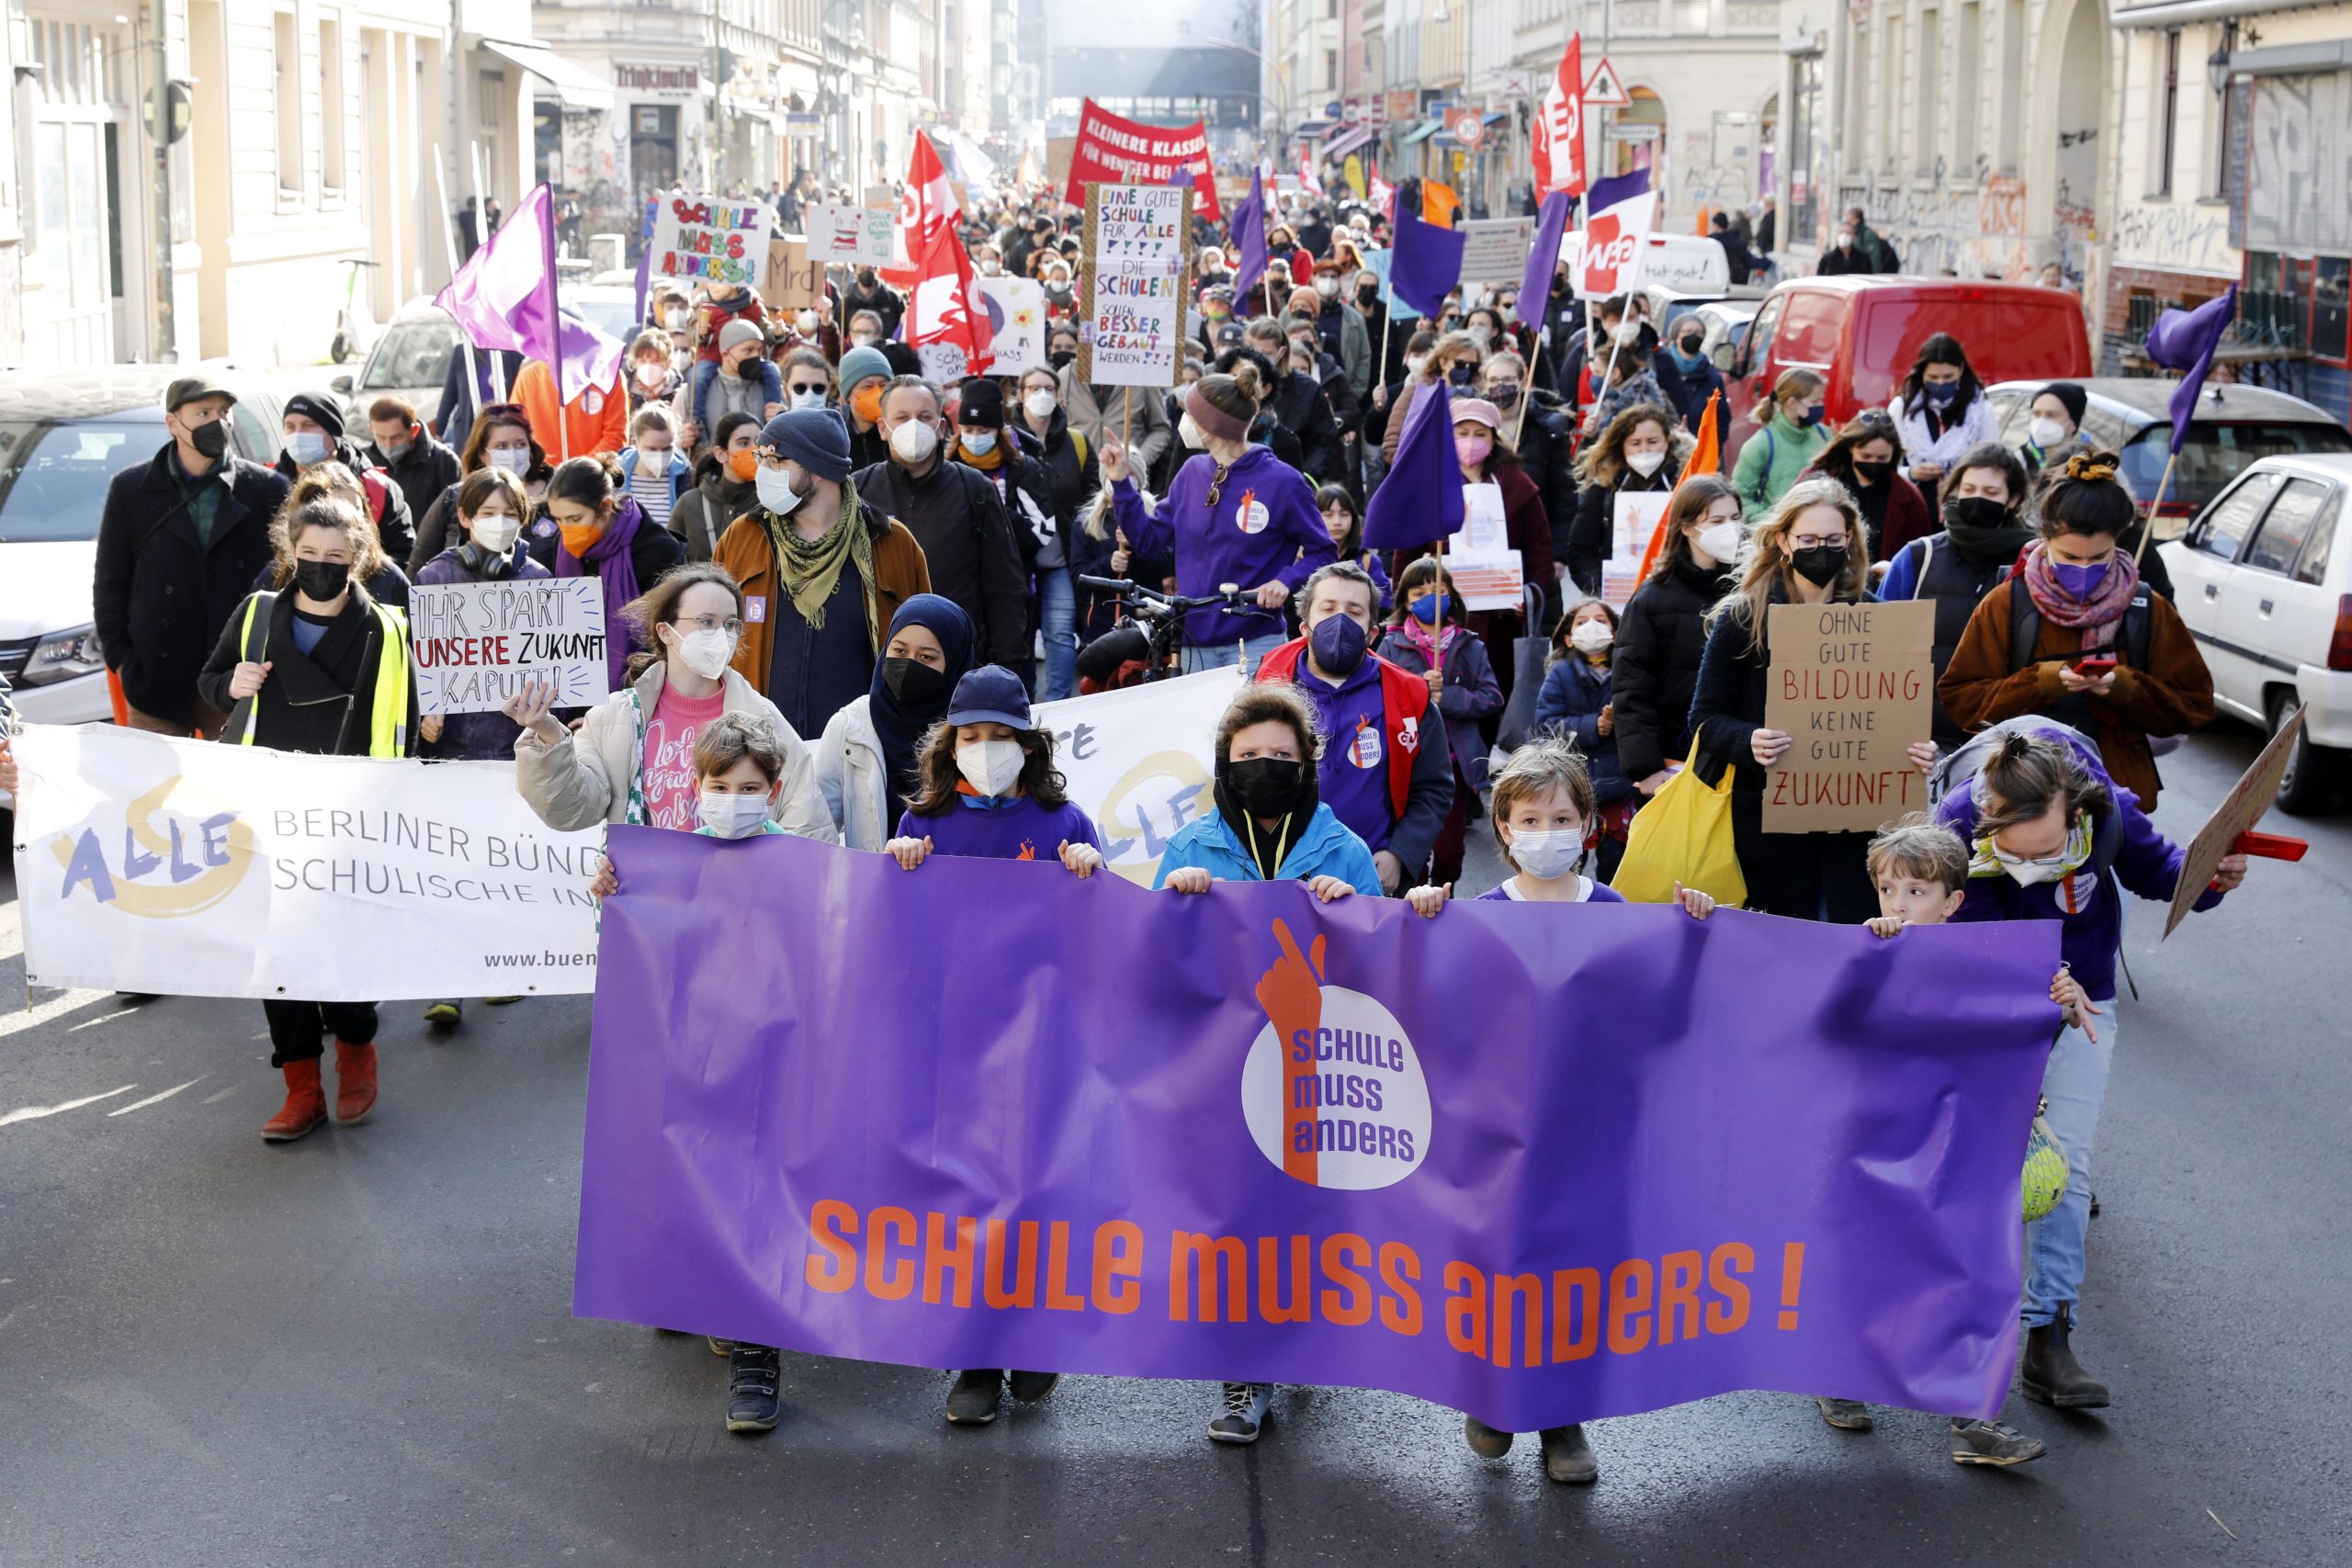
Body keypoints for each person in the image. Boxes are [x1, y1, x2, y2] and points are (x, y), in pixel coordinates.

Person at [1932, 724, 2247, 1410]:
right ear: (1986, 813)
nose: (2035, 866)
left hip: (2085, 999)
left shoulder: (2108, 808)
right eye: (2016, 854)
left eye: (2049, 852)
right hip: (1985, 1007)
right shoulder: (1955, 821)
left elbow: (2166, 872)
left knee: (2063, 1167)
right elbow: (1933, 925)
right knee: (1975, 1167)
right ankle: (1949, 1330)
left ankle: (2049, 1336)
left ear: (2074, 810)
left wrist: (2214, 879)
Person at [877, 664, 1106, 1426]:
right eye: (970, 736)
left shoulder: (1063, 821)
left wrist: (1089, 876)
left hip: (1040, 1043)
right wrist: (898, 866)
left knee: (1034, 1189)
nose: (983, 748)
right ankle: (975, 1357)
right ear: (950, 743)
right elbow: (894, 932)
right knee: (968, 1197)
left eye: (998, 736)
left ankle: (1033, 1334)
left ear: (1027, 743)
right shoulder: (926, 822)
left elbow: (1100, 930)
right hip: (954, 1046)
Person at [1154, 680, 1376, 1445]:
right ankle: (1245, 1371)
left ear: (1307, 763)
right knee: (1236, 1218)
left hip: (1314, 1062)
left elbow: (1382, 965)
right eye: (1249, 756)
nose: (1264, 766)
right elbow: (1157, 968)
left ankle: (1305, 1332)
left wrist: (1354, 907)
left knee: (1309, 1211)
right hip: (1223, 1069)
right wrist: (1178, 903)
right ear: (1225, 762)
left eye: (1280, 755)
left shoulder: (1342, 847)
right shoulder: (1189, 848)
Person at [1835, 812, 2079, 1466]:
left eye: (1916, 892)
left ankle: (1971, 1418)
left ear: (1953, 902)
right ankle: (1837, 1373)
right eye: (1889, 889)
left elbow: (2019, 1045)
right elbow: (1828, 1022)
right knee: (1874, 1264)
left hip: (1956, 1147)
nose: (1899, 904)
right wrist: (1864, 958)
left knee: (1966, 1273)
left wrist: (2054, 999)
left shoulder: (1988, 966)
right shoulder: (1865, 951)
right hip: (1881, 1145)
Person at [197, 497, 418, 1141]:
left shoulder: (384, 630)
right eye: (309, 555)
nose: (320, 567)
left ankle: (356, 1049)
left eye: (335, 557)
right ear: (290, 552)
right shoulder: (258, 613)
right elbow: (210, 682)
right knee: (278, 950)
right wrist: (229, 685)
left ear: (360, 557)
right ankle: (300, 1085)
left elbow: (403, 720)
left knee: (340, 944)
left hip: (349, 810)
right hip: (266, 805)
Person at [1689, 478, 1938, 919]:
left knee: (1855, 934)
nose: (1820, 549)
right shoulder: (1744, 618)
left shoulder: (1878, 619)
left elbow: (1898, 710)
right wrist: (1747, 740)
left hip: (1858, 823)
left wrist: (1917, 750)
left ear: (1849, 542)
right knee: (1783, 940)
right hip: (1770, 823)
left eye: (1832, 540)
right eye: (1807, 539)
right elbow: (1705, 719)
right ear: (1783, 540)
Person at [1938, 452, 2213, 807]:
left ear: (2118, 542)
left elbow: (2194, 705)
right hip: (2019, 798)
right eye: (2069, 557)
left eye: (2099, 558)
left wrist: (2126, 686)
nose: (2084, 568)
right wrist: (2042, 682)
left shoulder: (2147, 607)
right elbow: (1962, 702)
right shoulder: (2007, 602)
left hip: (2116, 799)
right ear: (2044, 537)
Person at [715, 407, 931, 741]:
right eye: (762, 458)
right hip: (758, 750)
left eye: (776, 460)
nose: (763, 472)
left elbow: (924, 648)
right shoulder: (743, 537)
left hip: (859, 747)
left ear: (817, 469)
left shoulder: (891, 541)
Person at [94, 376, 290, 737]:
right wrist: (123, 660)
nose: (218, 422)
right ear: (173, 423)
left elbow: (285, 581)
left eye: (224, 411)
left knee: (229, 789)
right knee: (155, 789)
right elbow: (110, 584)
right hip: (155, 681)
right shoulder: (130, 489)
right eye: (203, 412)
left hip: (236, 679)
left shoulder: (266, 489)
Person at [1102, 367, 1332, 671]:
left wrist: (1284, 581)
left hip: (1255, 641)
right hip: (1191, 640)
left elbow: (1323, 550)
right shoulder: (1191, 472)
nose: (1183, 420)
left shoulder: (1283, 481)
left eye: (1190, 413)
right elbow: (1147, 541)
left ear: (1211, 426)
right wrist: (1121, 483)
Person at [1255, 562, 1452, 894]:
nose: (1340, 620)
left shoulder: (1410, 699)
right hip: (1279, 877)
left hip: (1368, 878)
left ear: (1373, 632)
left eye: (1355, 611)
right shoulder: (1263, 687)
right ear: (1305, 626)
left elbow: (1433, 790)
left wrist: (1400, 855)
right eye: (1328, 608)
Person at [857, 378, 1030, 668]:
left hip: (958, 663)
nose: (914, 426)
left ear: (941, 427)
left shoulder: (975, 489)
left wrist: (1005, 670)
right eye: (902, 417)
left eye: (924, 417)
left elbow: (1005, 588)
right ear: (883, 429)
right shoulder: (858, 492)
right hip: (878, 667)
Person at [1879, 443, 2037, 748]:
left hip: (2002, 739)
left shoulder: (2033, 562)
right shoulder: (1918, 557)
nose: (1977, 499)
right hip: (1919, 740)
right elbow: (1880, 646)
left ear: (2013, 499)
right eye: (1969, 488)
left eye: (1991, 493)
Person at [1611, 476, 1743, 798]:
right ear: (1686, 527)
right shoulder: (1652, 598)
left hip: (1741, 750)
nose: (1731, 529)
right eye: (1717, 521)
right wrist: (1646, 767)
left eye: (1736, 519)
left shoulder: (1751, 588)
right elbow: (1632, 688)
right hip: (1677, 753)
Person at [1374, 556, 1499, 888]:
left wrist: (1451, 699)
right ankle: (1418, 896)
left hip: (1454, 765)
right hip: (1407, 758)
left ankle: (1446, 894)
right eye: (1418, 593)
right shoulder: (1391, 645)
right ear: (1404, 601)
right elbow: (1380, 696)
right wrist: (1419, 689)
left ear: (1451, 595)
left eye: (1437, 589)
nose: (1429, 598)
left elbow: (1492, 697)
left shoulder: (1470, 645)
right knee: (1414, 843)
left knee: (1450, 848)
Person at [813, 594, 977, 849]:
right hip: (872, 883)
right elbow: (817, 823)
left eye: (926, 657)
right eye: (899, 651)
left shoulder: (971, 732)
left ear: (953, 665)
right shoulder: (851, 725)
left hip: (949, 883)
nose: (909, 663)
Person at [532, 453, 687, 694]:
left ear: (604, 507)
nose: (565, 530)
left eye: (574, 518)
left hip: (637, 693)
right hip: (573, 692)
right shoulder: (554, 549)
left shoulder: (658, 551)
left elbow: (667, 640)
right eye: (559, 520)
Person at [950, 378, 1066, 695]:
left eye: (983, 431)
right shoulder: (947, 468)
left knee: (1012, 675)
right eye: (969, 430)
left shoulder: (1022, 468)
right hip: (959, 590)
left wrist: (998, 510)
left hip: (1012, 592)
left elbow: (1043, 530)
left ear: (998, 430)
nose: (975, 438)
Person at [1532, 598, 1633, 879]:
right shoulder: (1560, 674)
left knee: (1615, 866)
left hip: (1618, 787)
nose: (1591, 626)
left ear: (1615, 633)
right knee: (1564, 865)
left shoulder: (1630, 674)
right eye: (1581, 622)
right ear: (1569, 637)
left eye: (1600, 620)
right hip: (1571, 787)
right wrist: (1593, 726)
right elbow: (1545, 728)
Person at [406, 402, 554, 572]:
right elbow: (418, 565)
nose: (512, 452)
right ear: (482, 454)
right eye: (501, 446)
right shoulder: (454, 497)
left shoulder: (558, 497)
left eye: (520, 444)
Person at [277, 391, 415, 567]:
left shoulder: (377, 488)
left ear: (333, 431)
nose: (298, 434)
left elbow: (403, 555)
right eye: (290, 426)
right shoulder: (269, 485)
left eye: (309, 425)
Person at [1567, 403, 1687, 597]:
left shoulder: (1684, 484)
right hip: (1618, 598)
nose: (1644, 450)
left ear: (1667, 441)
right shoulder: (1605, 488)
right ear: (1622, 446)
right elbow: (1580, 551)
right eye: (1635, 443)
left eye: (1652, 441)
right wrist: (1600, 591)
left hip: (1673, 596)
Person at [1888, 333, 1999, 512]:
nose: (1940, 383)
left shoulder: (1980, 411)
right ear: (1922, 374)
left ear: (1961, 370)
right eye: (1933, 377)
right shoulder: (1902, 408)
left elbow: (1992, 461)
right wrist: (1912, 473)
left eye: (1948, 377)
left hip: (1962, 508)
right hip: (1912, 505)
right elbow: (1888, 465)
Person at [1803, 410, 1929, 565]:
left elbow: (1920, 556)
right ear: (1851, 448)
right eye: (1866, 456)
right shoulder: (1816, 482)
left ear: (1893, 453)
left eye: (1882, 457)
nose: (1873, 462)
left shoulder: (1909, 497)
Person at [1731, 368, 1829, 516]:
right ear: (1792, 402)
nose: (1821, 405)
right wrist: (1773, 523)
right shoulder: (1761, 444)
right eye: (1815, 401)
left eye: (1821, 399)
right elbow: (1740, 498)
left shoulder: (1824, 435)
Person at [671, 412, 762, 564]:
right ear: (721, 454)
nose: (754, 450)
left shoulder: (770, 503)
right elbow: (670, 564)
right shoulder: (690, 503)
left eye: (759, 442)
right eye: (744, 443)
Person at [365, 394, 461, 529]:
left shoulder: (443, 461)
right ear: (372, 430)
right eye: (381, 437)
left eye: (396, 437)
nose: (388, 445)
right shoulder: (364, 462)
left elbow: (453, 518)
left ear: (414, 430)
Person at [512, 355, 629, 458]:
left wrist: (579, 471)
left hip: (593, 477)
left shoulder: (609, 375)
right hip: (541, 477)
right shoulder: (528, 377)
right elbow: (515, 433)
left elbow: (615, 437)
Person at [1651, 315, 1729, 446]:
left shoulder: (1712, 377)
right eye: (1688, 331)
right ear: (1676, 335)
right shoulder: (1660, 368)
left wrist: (1711, 450)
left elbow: (1721, 420)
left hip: (1697, 453)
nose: (1694, 335)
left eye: (1699, 333)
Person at [1313, 484, 1390, 611]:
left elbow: (1383, 605)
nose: (1337, 521)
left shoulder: (1367, 561)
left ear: (1353, 518)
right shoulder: (1302, 558)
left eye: (1344, 514)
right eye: (1328, 515)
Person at [618, 406, 692, 534]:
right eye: (652, 449)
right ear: (635, 443)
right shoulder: (616, 476)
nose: (660, 455)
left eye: (666, 449)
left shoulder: (685, 478)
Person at [836, 344, 896, 472]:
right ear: (847, 395)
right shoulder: (836, 440)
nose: (878, 394)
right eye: (867, 387)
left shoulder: (898, 436)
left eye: (884, 385)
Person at [2019, 380, 2094, 475]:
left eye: (2051, 415)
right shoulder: (2019, 461)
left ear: (2073, 423)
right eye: (2036, 414)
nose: (2041, 423)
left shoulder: (2096, 465)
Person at [625, 329, 684, 417]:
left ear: (668, 363)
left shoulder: (679, 395)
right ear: (635, 362)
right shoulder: (626, 393)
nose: (648, 366)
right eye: (643, 361)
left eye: (655, 361)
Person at [1844, 206, 1901, 273]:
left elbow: (1875, 259)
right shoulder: (1855, 233)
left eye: (1848, 216)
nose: (1846, 219)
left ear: (1855, 218)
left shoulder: (1867, 234)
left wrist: (1874, 278)